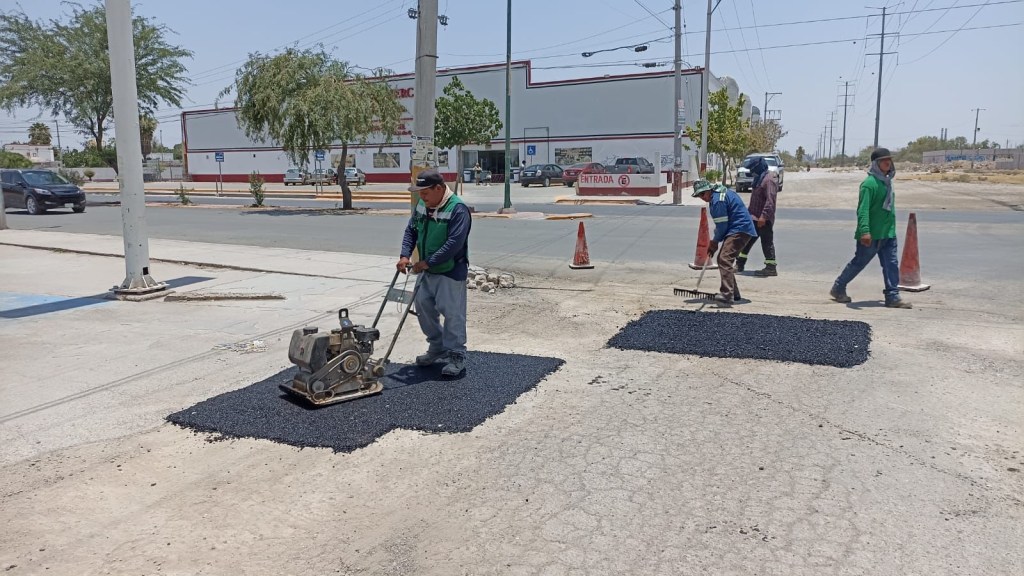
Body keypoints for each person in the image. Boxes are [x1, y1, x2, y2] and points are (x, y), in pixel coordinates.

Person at [397, 169, 473, 376]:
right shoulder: (423, 205)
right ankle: (437, 346)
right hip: (425, 270)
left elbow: (453, 244)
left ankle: (456, 353)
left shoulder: (458, 209)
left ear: (439, 188)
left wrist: (427, 262)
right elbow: (411, 230)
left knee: (453, 313)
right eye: (419, 193)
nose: (422, 197)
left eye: (425, 192)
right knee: (423, 308)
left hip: (450, 270)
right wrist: (405, 255)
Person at [830, 148, 912, 309]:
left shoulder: (887, 182)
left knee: (891, 264)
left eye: (889, 160)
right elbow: (863, 210)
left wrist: (891, 229)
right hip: (871, 234)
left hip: (888, 233)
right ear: (876, 164)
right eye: (884, 161)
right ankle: (838, 287)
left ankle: (892, 296)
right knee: (858, 263)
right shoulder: (869, 184)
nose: (888, 163)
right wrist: (865, 231)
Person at [692, 179, 758, 307]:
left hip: (740, 229)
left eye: (702, 194)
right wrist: (714, 242)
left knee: (724, 259)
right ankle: (734, 294)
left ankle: (727, 296)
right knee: (724, 259)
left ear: (708, 190)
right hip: (737, 229)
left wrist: (714, 242)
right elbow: (721, 225)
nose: (701, 198)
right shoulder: (717, 195)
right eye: (699, 196)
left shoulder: (718, 200)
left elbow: (722, 226)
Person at [737, 158, 779, 276]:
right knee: (746, 241)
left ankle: (771, 267)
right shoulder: (758, 178)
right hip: (753, 217)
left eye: (753, 169)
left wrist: (763, 217)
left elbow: (770, 201)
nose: (751, 172)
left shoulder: (769, 179)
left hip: (763, 219)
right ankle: (739, 264)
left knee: (766, 242)